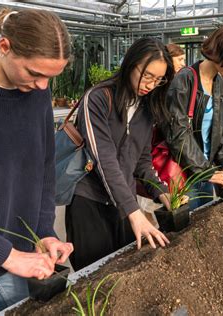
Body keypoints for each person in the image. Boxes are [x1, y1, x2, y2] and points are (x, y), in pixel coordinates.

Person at [0, 9, 74, 315]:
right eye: (34, 73)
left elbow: (43, 167)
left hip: (21, 259)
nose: (43, 86)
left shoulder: (37, 94)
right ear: (4, 47)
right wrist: (5, 254)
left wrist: (44, 229)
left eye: (51, 77)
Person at [65, 38, 174, 271]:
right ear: (130, 64)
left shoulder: (146, 108)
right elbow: (103, 159)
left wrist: (162, 192)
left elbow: (142, 161)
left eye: (158, 79)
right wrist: (134, 212)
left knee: (122, 270)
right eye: (147, 76)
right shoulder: (98, 99)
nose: (151, 85)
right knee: (93, 275)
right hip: (89, 201)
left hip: (122, 204)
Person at [161, 26, 223, 210]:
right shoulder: (185, 79)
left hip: (206, 171)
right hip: (185, 174)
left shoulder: (219, 82)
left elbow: (221, 129)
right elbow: (177, 132)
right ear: (219, 51)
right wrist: (205, 171)